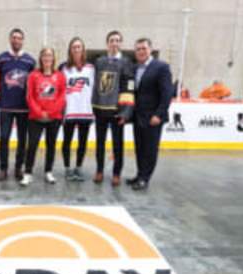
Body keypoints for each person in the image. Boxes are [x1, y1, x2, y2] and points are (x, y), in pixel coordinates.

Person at [127, 38, 173, 191]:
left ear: (150, 49)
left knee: (150, 149)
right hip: (138, 116)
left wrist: (159, 115)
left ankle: (145, 178)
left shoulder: (161, 67)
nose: (140, 51)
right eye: (138, 49)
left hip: (153, 117)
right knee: (139, 148)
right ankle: (140, 174)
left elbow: (167, 94)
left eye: (143, 48)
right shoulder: (134, 68)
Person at [92, 30, 135, 187]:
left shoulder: (126, 62)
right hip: (100, 110)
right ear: (107, 43)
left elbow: (129, 88)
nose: (114, 43)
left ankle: (117, 173)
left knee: (118, 145)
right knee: (100, 144)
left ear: (120, 43)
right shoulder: (99, 61)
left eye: (117, 40)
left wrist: (126, 112)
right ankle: (99, 170)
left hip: (117, 111)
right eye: (112, 40)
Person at [20, 47, 66, 186]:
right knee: (32, 145)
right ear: (41, 58)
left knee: (51, 145)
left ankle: (48, 171)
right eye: (45, 55)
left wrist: (51, 112)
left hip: (54, 118)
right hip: (36, 117)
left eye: (50, 55)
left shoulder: (60, 76)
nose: (47, 58)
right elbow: (30, 96)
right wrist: (40, 112)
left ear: (53, 58)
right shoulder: (33, 75)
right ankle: (28, 173)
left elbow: (62, 96)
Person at [0, 28, 36, 181]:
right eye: (14, 38)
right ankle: (3, 168)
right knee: (4, 137)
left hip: (24, 108)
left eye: (19, 38)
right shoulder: (0, 59)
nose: (16, 40)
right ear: (10, 39)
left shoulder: (30, 61)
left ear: (22, 41)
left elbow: (33, 83)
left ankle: (19, 167)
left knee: (21, 140)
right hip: (5, 106)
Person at [60, 37, 94, 181]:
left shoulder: (91, 68)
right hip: (69, 111)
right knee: (66, 141)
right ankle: (67, 168)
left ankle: (78, 168)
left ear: (83, 49)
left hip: (85, 111)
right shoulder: (63, 68)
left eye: (79, 46)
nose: (76, 49)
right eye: (74, 47)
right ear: (70, 50)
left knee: (82, 142)